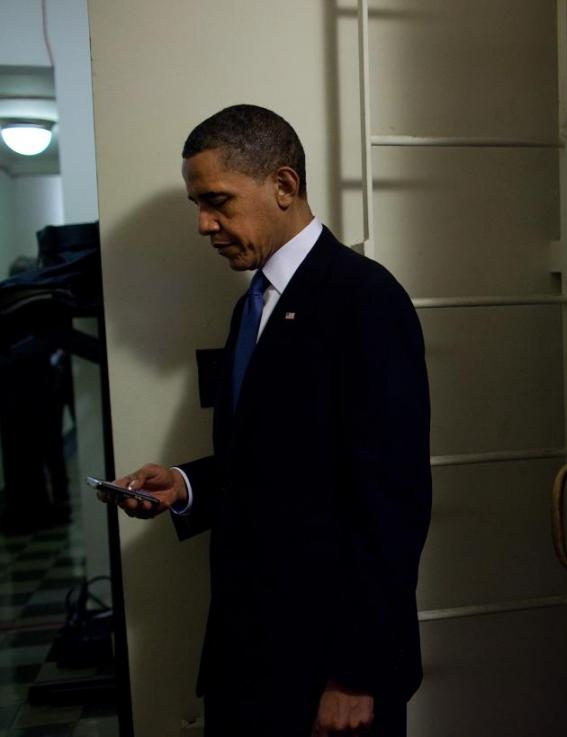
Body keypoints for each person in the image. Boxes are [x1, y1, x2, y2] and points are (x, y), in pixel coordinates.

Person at [100, 104, 432, 737]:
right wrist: (184, 486)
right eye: (198, 204)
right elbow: (280, 462)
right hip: (247, 658)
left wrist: (355, 675)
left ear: (283, 185)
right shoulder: (252, 305)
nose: (204, 224)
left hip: (328, 671)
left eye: (218, 201)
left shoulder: (365, 300)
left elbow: (393, 503)